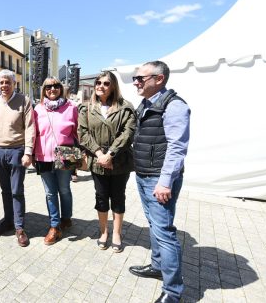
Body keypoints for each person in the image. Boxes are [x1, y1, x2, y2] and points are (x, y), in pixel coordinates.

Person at [127, 61, 190, 303]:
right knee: (154, 226)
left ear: (159, 79)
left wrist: (164, 183)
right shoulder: (145, 104)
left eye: (140, 78)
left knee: (164, 232)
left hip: (159, 179)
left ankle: (173, 291)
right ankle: (157, 266)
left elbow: (177, 148)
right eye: (135, 78)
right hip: (144, 174)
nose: (136, 82)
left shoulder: (174, 106)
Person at [78, 71, 136, 253]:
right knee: (101, 197)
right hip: (97, 161)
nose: (100, 86)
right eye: (98, 82)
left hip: (119, 161)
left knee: (118, 198)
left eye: (106, 83)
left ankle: (117, 234)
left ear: (113, 87)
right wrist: (99, 154)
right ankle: (103, 232)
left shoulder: (125, 107)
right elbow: (83, 133)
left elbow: (128, 133)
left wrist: (110, 154)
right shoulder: (86, 108)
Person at [0, 69, 35, 247]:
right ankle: (8, 220)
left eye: (8, 82)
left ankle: (19, 227)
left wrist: (28, 151)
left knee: (16, 191)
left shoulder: (24, 101)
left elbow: (30, 127)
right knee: (5, 190)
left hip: (17, 151)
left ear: (14, 84)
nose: (4, 85)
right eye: (2, 82)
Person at [32, 78, 78, 245]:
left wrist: (81, 154)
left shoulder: (72, 107)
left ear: (61, 88)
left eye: (56, 86)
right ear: (44, 89)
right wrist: (30, 154)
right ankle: (54, 226)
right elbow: (33, 133)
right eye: (49, 86)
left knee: (64, 189)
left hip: (65, 153)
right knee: (50, 192)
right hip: (43, 155)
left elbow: (78, 132)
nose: (52, 89)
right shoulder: (37, 108)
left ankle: (66, 218)